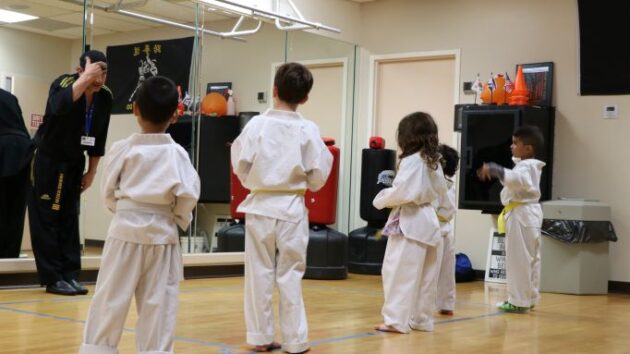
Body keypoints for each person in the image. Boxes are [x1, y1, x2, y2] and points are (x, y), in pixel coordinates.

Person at [80, 76, 200, 354]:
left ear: (134, 109)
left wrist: (120, 212)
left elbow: (108, 191)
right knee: (159, 306)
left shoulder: (122, 149)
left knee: (109, 300)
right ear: (174, 115)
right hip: (162, 235)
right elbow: (188, 198)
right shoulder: (178, 155)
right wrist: (177, 219)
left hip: (124, 232)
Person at [231, 62, 332, 353]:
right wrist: (304, 184)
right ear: (305, 98)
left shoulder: (257, 125)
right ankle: (296, 340)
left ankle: (261, 337)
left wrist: (256, 179)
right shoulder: (308, 129)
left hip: (261, 204)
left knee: (259, 272)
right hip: (291, 207)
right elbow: (318, 173)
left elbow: (240, 163)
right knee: (291, 273)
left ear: (274, 90)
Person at [28, 50, 112, 295]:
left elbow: (99, 137)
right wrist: (84, 80)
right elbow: (57, 107)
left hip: (75, 163)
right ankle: (53, 278)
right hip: (47, 160)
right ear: (80, 70)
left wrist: (92, 172)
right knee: (48, 218)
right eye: (95, 71)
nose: (99, 78)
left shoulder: (105, 97)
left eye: (103, 72)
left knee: (69, 219)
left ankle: (70, 275)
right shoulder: (64, 83)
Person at [373, 112, 448, 334]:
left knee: (397, 272)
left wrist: (381, 199)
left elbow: (403, 191)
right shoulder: (433, 161)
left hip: (411, 220)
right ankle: (421, 319)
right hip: (429, 220)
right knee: (427, 276)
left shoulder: (411, 160)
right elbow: (441, 190)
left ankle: (395, 320)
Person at [477, 125, 545, 313]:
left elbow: (516, 180)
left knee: (519, 259)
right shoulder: (527, 166)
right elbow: (517, 177)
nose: (511, 146)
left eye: (516, 143)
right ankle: (528, 297)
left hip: (521, 215)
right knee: (531, 258)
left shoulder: (527, 167)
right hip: (527, 214)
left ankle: (518, 301)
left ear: (528, 148)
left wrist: (495, 168)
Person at [0, 88, 35, 258]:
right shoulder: (10, 97)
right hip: (23, 151)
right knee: (16, 212)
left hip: (2, 149)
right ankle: (10, 260)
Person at [434, 144, 459, 316]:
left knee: (430, 271)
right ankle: (447, 304)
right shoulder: (451, 185)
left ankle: (423, 305)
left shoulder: (437, 184)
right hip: (447, 229)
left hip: (434, 228)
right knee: (447, 271)